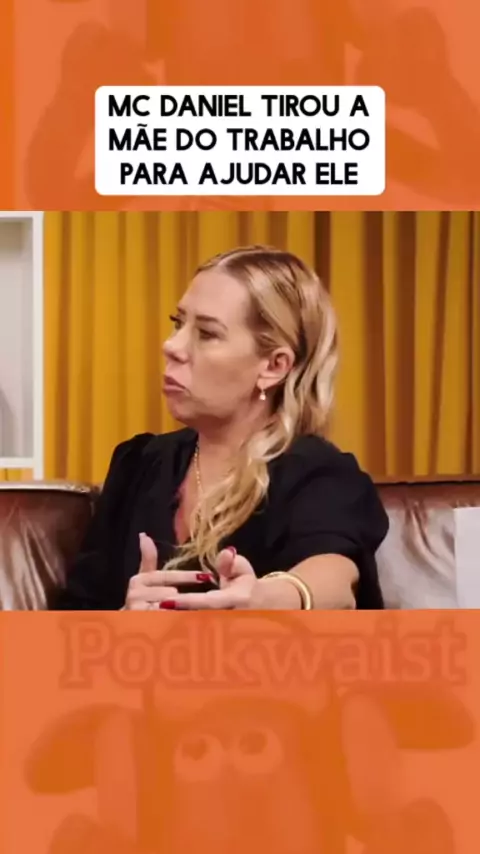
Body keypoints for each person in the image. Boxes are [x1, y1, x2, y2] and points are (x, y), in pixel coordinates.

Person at [52, 245, 389, 611]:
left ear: (273, 366)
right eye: (179, 323)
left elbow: (334, 581)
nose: (171, 346)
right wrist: (125, 623)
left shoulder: (320, 474)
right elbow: (76, 617)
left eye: (207, 333)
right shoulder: (138, 463)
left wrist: (268, 597)